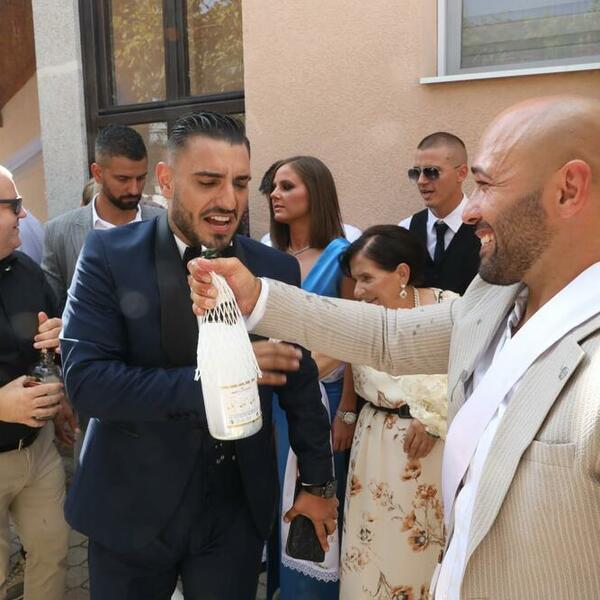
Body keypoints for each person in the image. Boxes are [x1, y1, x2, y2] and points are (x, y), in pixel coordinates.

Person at [189, 96, 600, 599]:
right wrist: (258, 296)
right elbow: (387, 336)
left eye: (487, 185)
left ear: (568, 189)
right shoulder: (493, 297)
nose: (470, 209)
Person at [60, 112, 337, 600]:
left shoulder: (274, 268)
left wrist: (318, 485)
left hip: (234, 511)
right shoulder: (107, 254)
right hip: (130, 505)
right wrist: (222, 379)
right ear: (167, 181)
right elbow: (88, 383)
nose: (229, 201)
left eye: (240, 183)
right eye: (209, 182)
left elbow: (299, 383)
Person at [338, 225, 456, 599]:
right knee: (371, 551)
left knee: (423, 557)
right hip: (374, 446)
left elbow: (474, 372)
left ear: (402, 273)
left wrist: (436, 417)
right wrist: (346, 413)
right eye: (355, 280)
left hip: (433, 455)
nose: (358, 291)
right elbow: (344, 361)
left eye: (366, 279)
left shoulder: (450, 308)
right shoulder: (361, 316)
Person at [262, 155, 354, 599]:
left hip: (321, 400)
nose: (275, 194)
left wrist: (348, 410)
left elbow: (358, 338)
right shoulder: (265, 256)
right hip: (268, 399)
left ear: (315, 192)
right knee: (275, 502)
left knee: (314, 500)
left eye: (287, 186)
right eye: (273, 187)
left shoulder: (343, 256)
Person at [0, 165, 72, 600]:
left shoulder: (26, 269)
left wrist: (59, 339)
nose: (24, 216)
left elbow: (50, 343)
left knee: (52, 554)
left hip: (38, 449)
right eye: (14, 205)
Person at [42, 123, 163, 312]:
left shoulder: (164, 223)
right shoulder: (59, 232)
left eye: (140, 178)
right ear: (97, 173)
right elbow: (53, 307)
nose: (134, 189)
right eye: (123, 179)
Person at [399, 132, 479, 295]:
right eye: (416, 173)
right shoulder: (405, 230)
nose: (421, 181)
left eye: (432, 172)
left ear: (461, 173)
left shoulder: (488, 228)